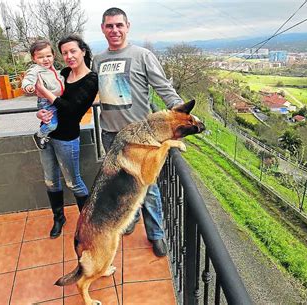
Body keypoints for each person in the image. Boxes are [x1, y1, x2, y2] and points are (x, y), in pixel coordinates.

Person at [92, 7, 184, 257]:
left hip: (139, 140)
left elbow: (163, 89)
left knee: (149, 187)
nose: (114, 30)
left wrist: (183, 117)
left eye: (119, 25)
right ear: (103, 29)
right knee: (120, 187)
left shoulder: (143, 55)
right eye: (109, 26)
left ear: (127, 26)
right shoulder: (98, 60)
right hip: (110, 135)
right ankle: (129, 220)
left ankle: (156, 234)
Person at [35, 35, 98, 238]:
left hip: (67, 138)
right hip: (47, 133)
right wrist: (41, 113)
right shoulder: (62, 73)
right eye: (64, 53)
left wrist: (45, 91)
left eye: (73, 51)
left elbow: (71, 111)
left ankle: (88, 223)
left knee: (73, 182)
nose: (69, 56)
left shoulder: (91, 80)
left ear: (83, 51)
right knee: (50, 180)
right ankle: (58, 217)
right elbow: (50, 105)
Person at [21, 40, 65, 150]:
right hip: (46, 102)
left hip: (56, 99)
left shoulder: (52, 69)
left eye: (48, 56)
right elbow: (28, 79)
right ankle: (40, 135)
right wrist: (28, 86)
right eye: (40, 57)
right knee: (51, 124)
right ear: (33, 58)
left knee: (61, 120)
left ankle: (50, 135)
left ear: (53, 55)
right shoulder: (36, 70)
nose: (45, 59)